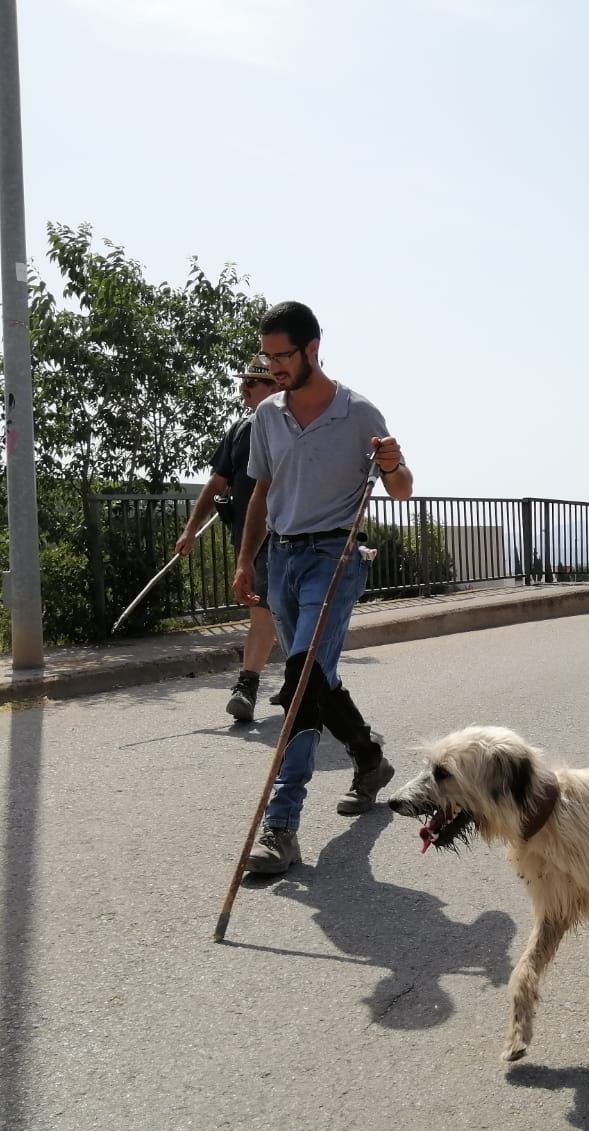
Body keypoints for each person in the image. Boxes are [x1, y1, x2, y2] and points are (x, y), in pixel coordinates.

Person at [232, 301, 414, 875]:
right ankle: (369, 758)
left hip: (335, 556)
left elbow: (403, 489)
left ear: (313, 348)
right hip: (282, 560)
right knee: (319, 676)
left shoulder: (359, 413)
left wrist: (390, 463)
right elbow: (261, 493)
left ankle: (281, 826)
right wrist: (246, 562)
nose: (275, 367)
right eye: (269, 357)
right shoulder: (268, 418)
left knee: (302, 680)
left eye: (284, 356)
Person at [176, 358, 285, 723]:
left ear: (276, 388)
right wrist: (191, 528)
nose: (244, 390)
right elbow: (217, 482)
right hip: (249, 542)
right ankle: (278, 683)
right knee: (265, 612)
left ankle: (255, 684)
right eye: (245, 384)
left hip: (290, 538)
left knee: (271, 612)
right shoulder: (241, 430)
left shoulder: (294, 427)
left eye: (253, 384)